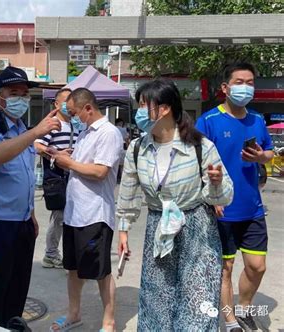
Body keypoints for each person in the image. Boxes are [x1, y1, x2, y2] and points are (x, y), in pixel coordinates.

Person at [117, 79, 234, 331]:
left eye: (144, 105)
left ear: (164, 108)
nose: (139, 111)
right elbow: (128, 191)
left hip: (197, 228)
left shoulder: (200, 146)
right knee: (157, 298)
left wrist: (216, 183)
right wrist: (123, 228)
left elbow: (223, 198)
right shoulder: (138, 148)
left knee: (197, 299)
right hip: (158, 228)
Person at [0, 66, 61, 328]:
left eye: (24, 93)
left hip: (21, 223)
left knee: (17, 288)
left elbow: (22, 177)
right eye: (14, 93)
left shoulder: (20, 128)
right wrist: (34, 133)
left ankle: (11, 323)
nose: (21, 98)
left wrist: (29, 213)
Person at [196, 62, 275, 332]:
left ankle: (244, 308)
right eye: (240, 82)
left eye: (250, 82)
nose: (246, 87)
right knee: (226, 268)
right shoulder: (208, 121)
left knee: (257, 267)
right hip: (221, 209)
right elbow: (195, 162)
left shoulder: (257, 120)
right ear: (225, 88)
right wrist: (211, 197)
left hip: (252, 207)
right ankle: (230, 321)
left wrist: (262, 156)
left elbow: (269, 152)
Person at [50, 88, 123, 332]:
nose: (72, 117)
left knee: (100, 271)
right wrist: (63, 156)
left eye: (74, 113)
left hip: (94, 214)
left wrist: (69, 162)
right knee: (73, 269)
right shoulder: (84, 133)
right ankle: (74, 314)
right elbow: (80, 165)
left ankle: (108, 322)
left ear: (88, 108)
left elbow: (100, 172)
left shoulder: (108, 133)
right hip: (74, 213)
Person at [34, 88, 79, 269]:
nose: (69, 104)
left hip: (73, 177)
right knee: (59, 216)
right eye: (66, 100)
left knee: (71, 217)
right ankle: (50, 254)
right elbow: (37, 145)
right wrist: (55, 153)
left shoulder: (76, 125)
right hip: (57, 178)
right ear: (56, 104)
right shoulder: (53, 124)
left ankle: (66, 253)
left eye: (72, 100)